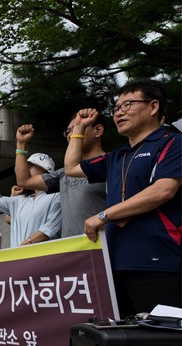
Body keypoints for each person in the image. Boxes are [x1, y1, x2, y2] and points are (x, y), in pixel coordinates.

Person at [63, 78, 181, 316]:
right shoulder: (116, 156)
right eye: (116, 108)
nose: (119, 113)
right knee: (125, 334)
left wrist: (104, 215)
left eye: (128, 105)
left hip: (159, 260)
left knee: (164, 334)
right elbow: (71, 167)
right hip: (115, 263)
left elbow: (163, 190)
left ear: (153, 106)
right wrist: (79, 129)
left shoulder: (172, 142)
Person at [14, 120, 107, 238]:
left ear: (98, 130)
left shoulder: (112, 163)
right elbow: (24, 181)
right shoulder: (63, 173)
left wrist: (103, 217)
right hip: (71, 246)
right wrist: (21, 144)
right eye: (68, 131)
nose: (71, 134)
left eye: (78, 127)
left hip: (105, 244)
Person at [0, 157, 62, 247]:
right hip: (18, 254)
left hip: (43, 255)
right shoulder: (20, 199)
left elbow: (49, 229)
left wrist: (26, 243)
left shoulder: (57, 196)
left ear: (46, 171)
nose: (26, 169)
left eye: (31, 166)